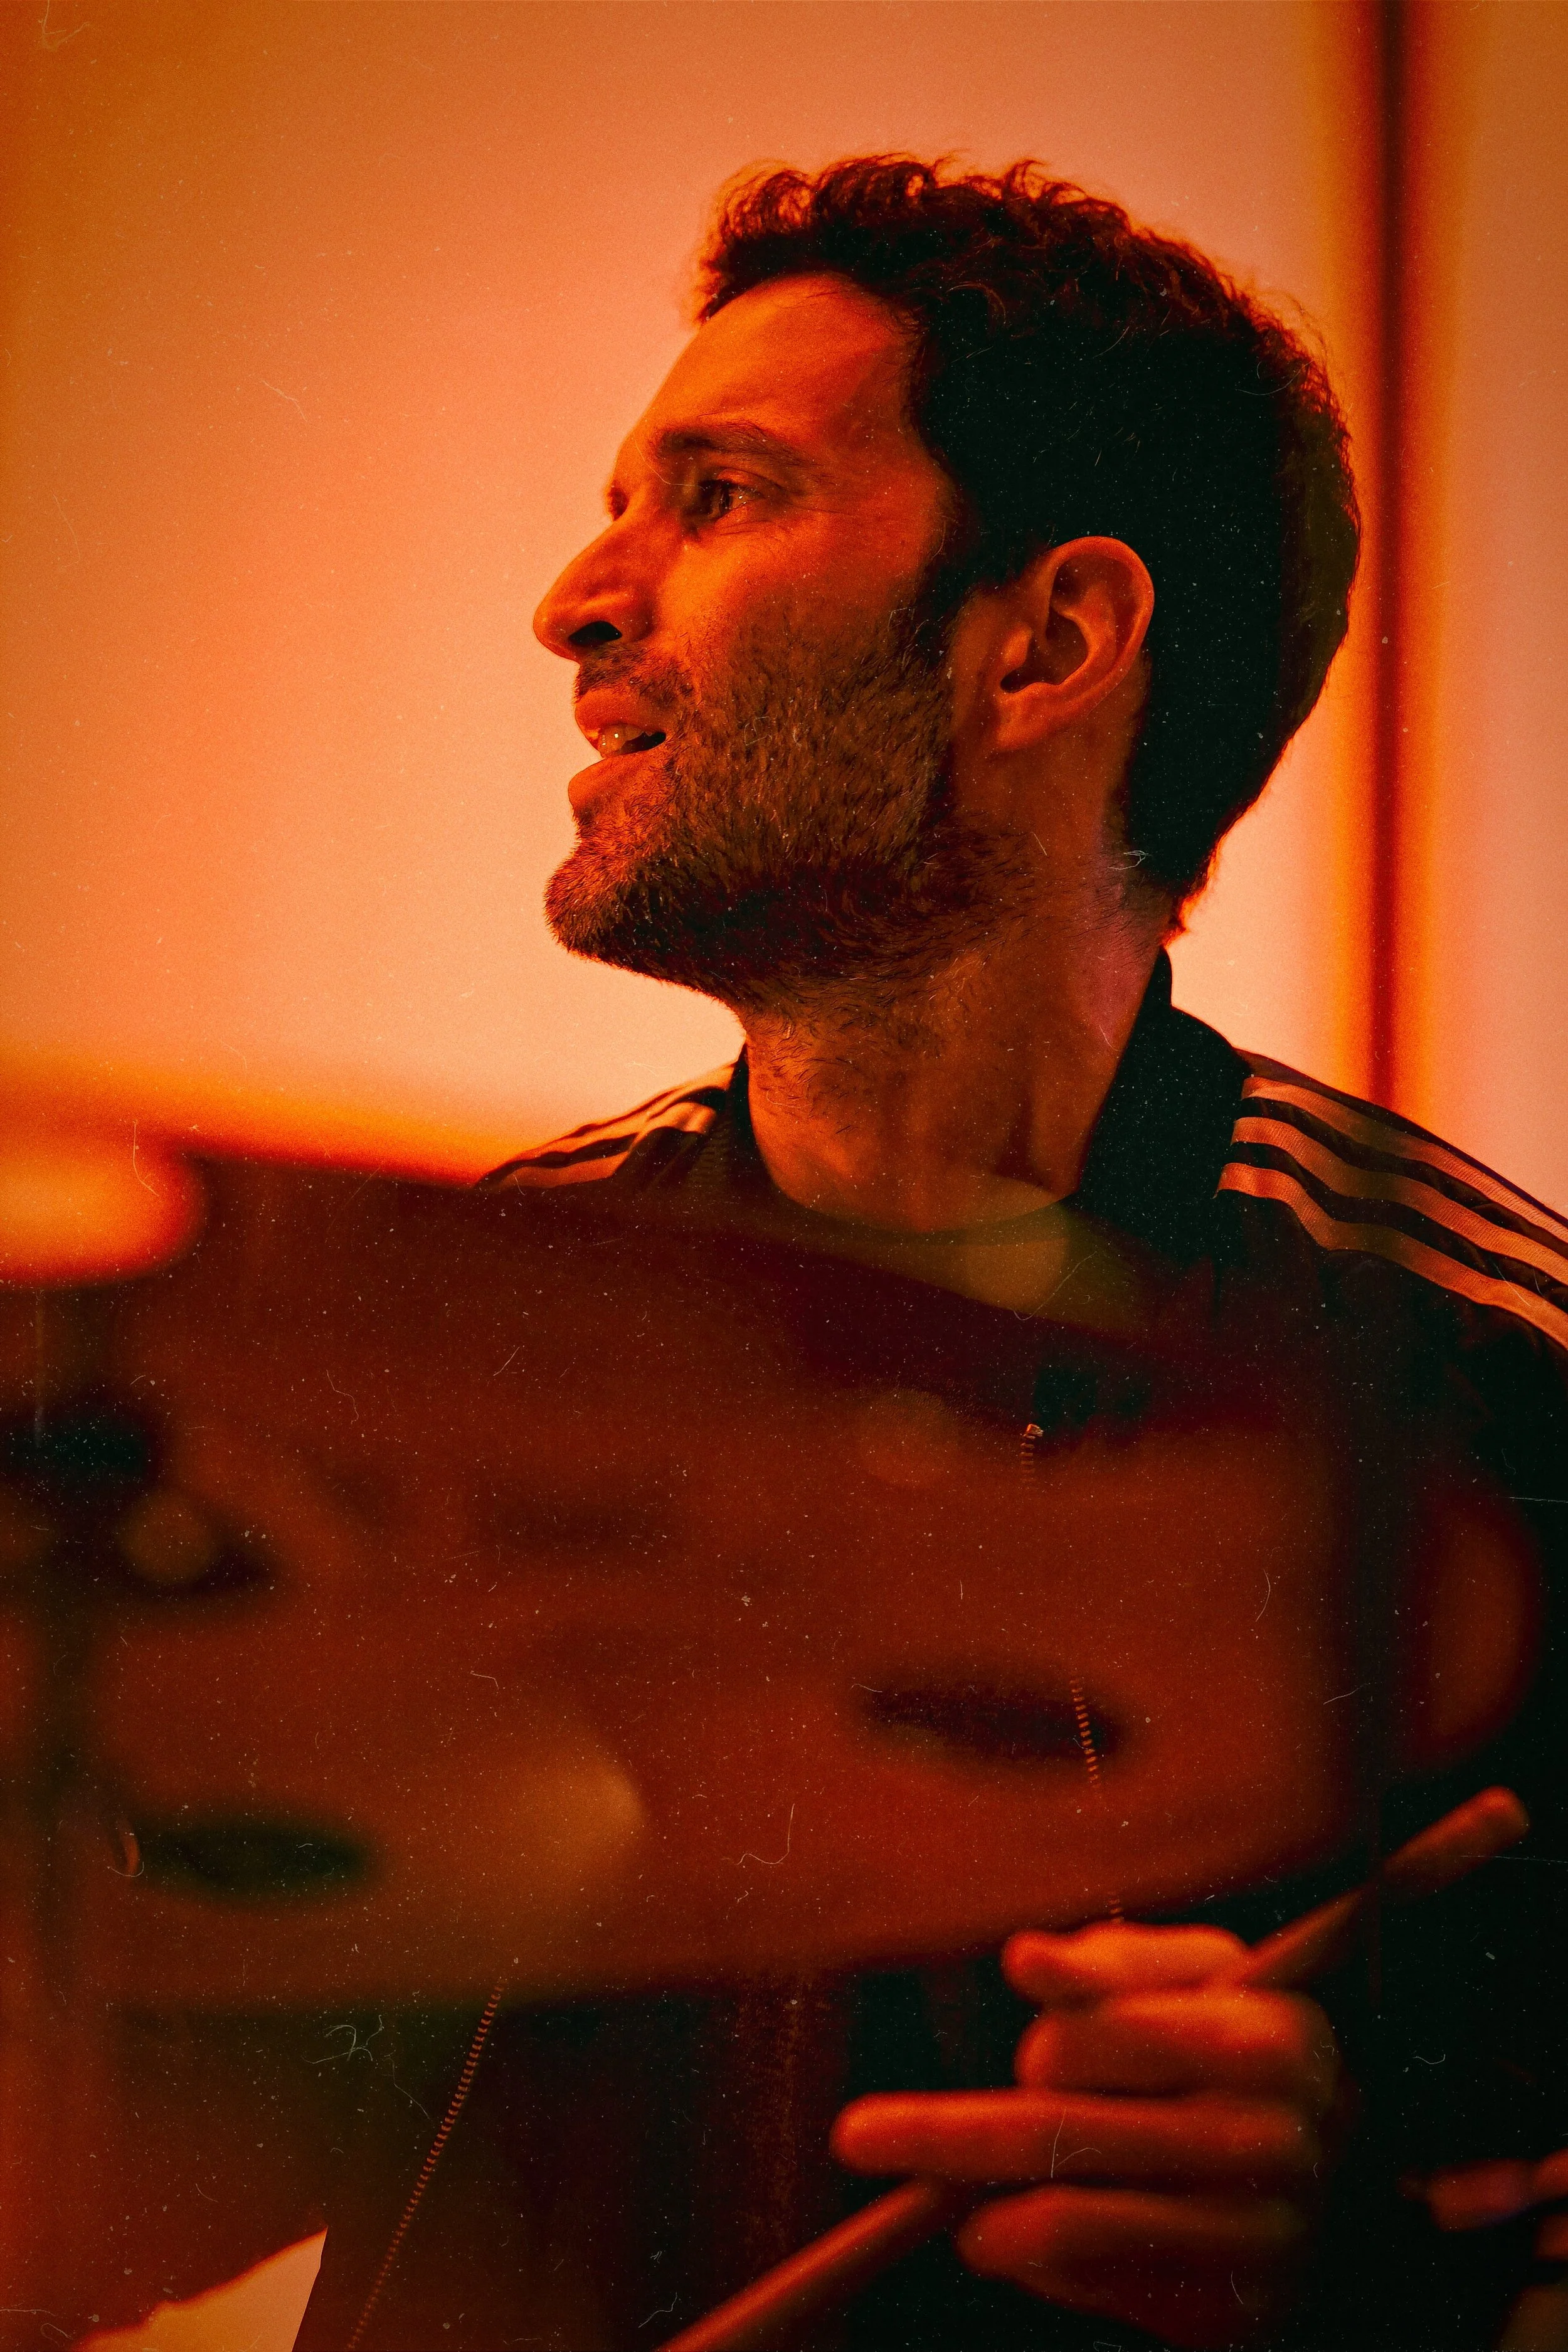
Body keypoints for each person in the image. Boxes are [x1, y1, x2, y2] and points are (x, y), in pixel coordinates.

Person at [300, 159, 1568, 2350]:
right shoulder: (429, 1334)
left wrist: (1367, 2253)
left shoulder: (1482, 1380)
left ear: (1046, 643)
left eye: (718, 494)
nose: (579, 600)